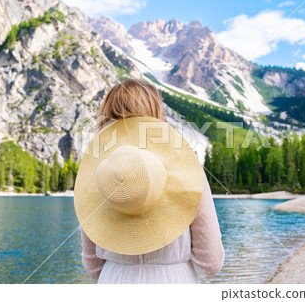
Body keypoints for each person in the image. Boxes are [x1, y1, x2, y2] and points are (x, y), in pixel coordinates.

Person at [73, 79, 224, 284]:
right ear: (155, 115)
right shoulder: (187, 169)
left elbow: (92, 264)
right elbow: (211, 263)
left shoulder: (98, 174)